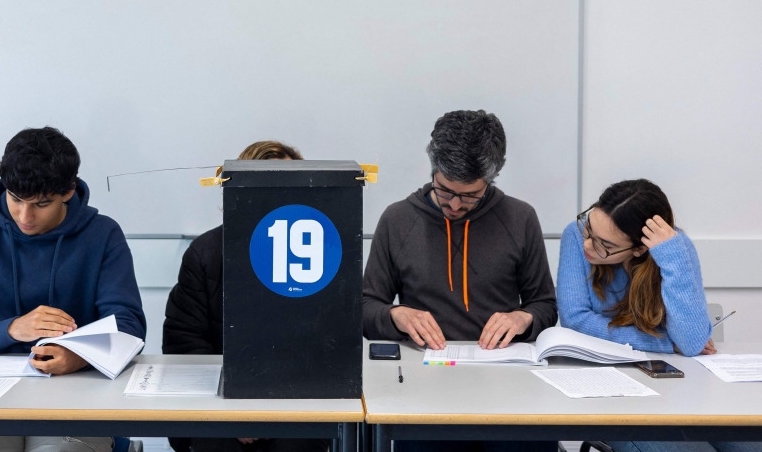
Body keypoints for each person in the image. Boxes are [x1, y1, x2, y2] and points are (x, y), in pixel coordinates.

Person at [0, 127, 146, 452]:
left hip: (73, 395)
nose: (25, 216)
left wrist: (79, 356)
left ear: (68, 191)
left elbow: (128, 328)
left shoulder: (102, 235)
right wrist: (12, 329)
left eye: (41, 204)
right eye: (16, 199)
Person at [363, 110, 558, 452]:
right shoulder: (398, 219)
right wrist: (397, 316)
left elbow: (545, 306)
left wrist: (523, 318)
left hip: (508, 387)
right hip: (424, 388)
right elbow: (365, 308)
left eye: (470, 195)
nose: (454, 204)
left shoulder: (520, 217)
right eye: (445, 190)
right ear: (432, 168)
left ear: (492, 177)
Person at [558, 179, 761, 452]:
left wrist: (672, 256)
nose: (588, 245)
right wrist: (664, 342)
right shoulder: (575, 235)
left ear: (640, 248)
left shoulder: (674, 247)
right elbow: (576, 321)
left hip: (681, 392)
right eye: (589, 228)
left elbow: (689, 343)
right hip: (611, 390)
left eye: (604, 244)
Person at [163, 140, 327, 452]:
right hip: (218, 402)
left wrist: (277, 413)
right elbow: (185, 344)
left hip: (296, 405)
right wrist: (232, 413)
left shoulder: (319, 255)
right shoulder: (206, 254)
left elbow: (325, 346)